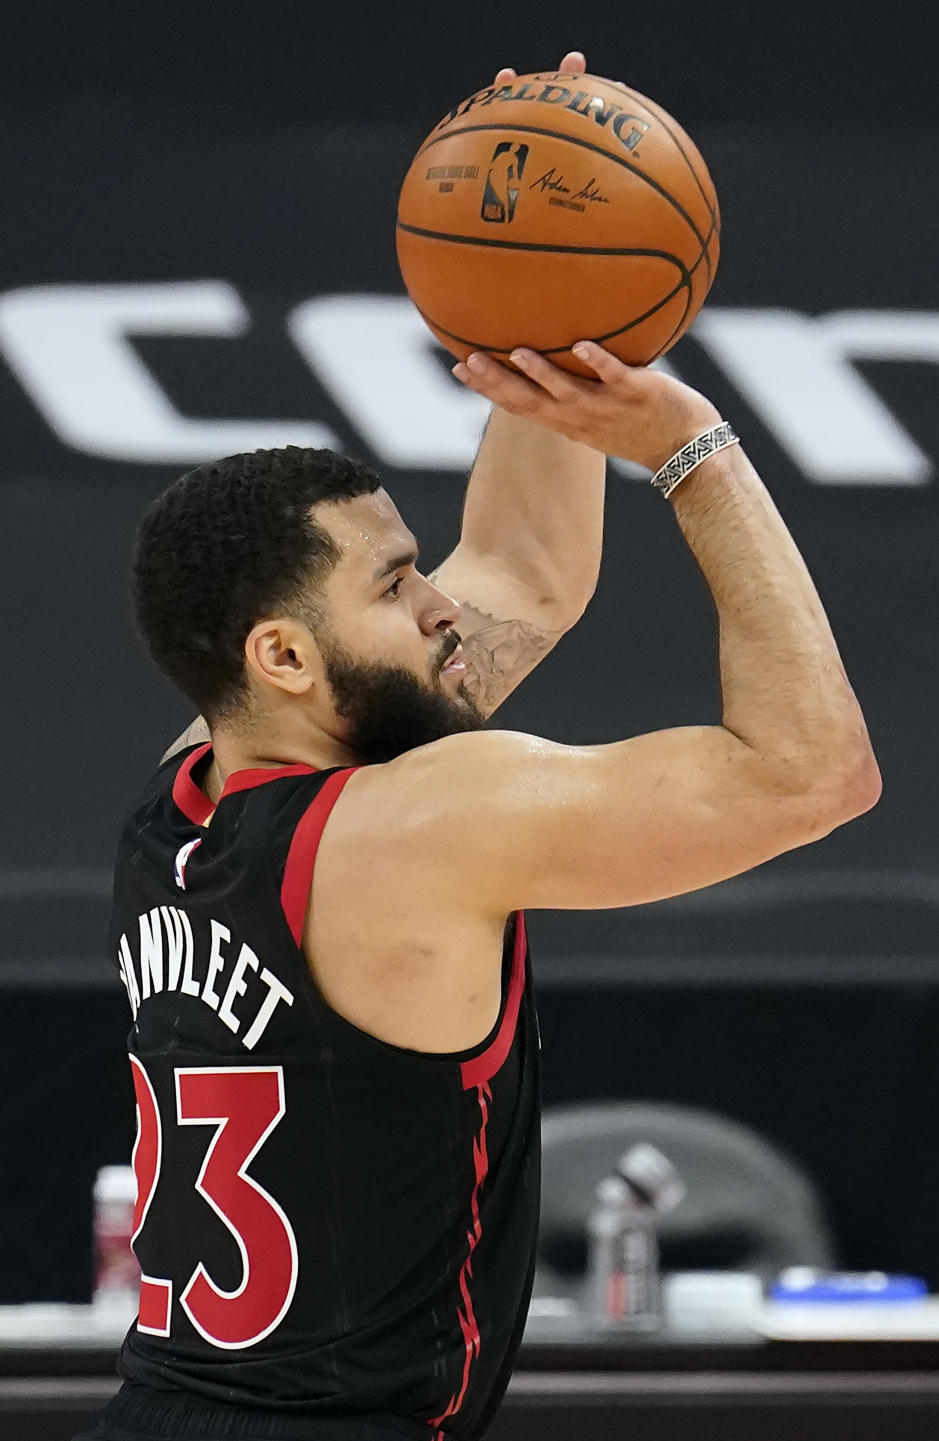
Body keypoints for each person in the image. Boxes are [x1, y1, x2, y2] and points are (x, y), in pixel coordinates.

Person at [77, 68, 880, 1441]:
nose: (443, 601)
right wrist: (694, 446)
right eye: (398, 585)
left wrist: (546, 311)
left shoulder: (190, 781)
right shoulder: (417, 822)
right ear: (284, 655)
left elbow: (522, 568)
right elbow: (815, 774)